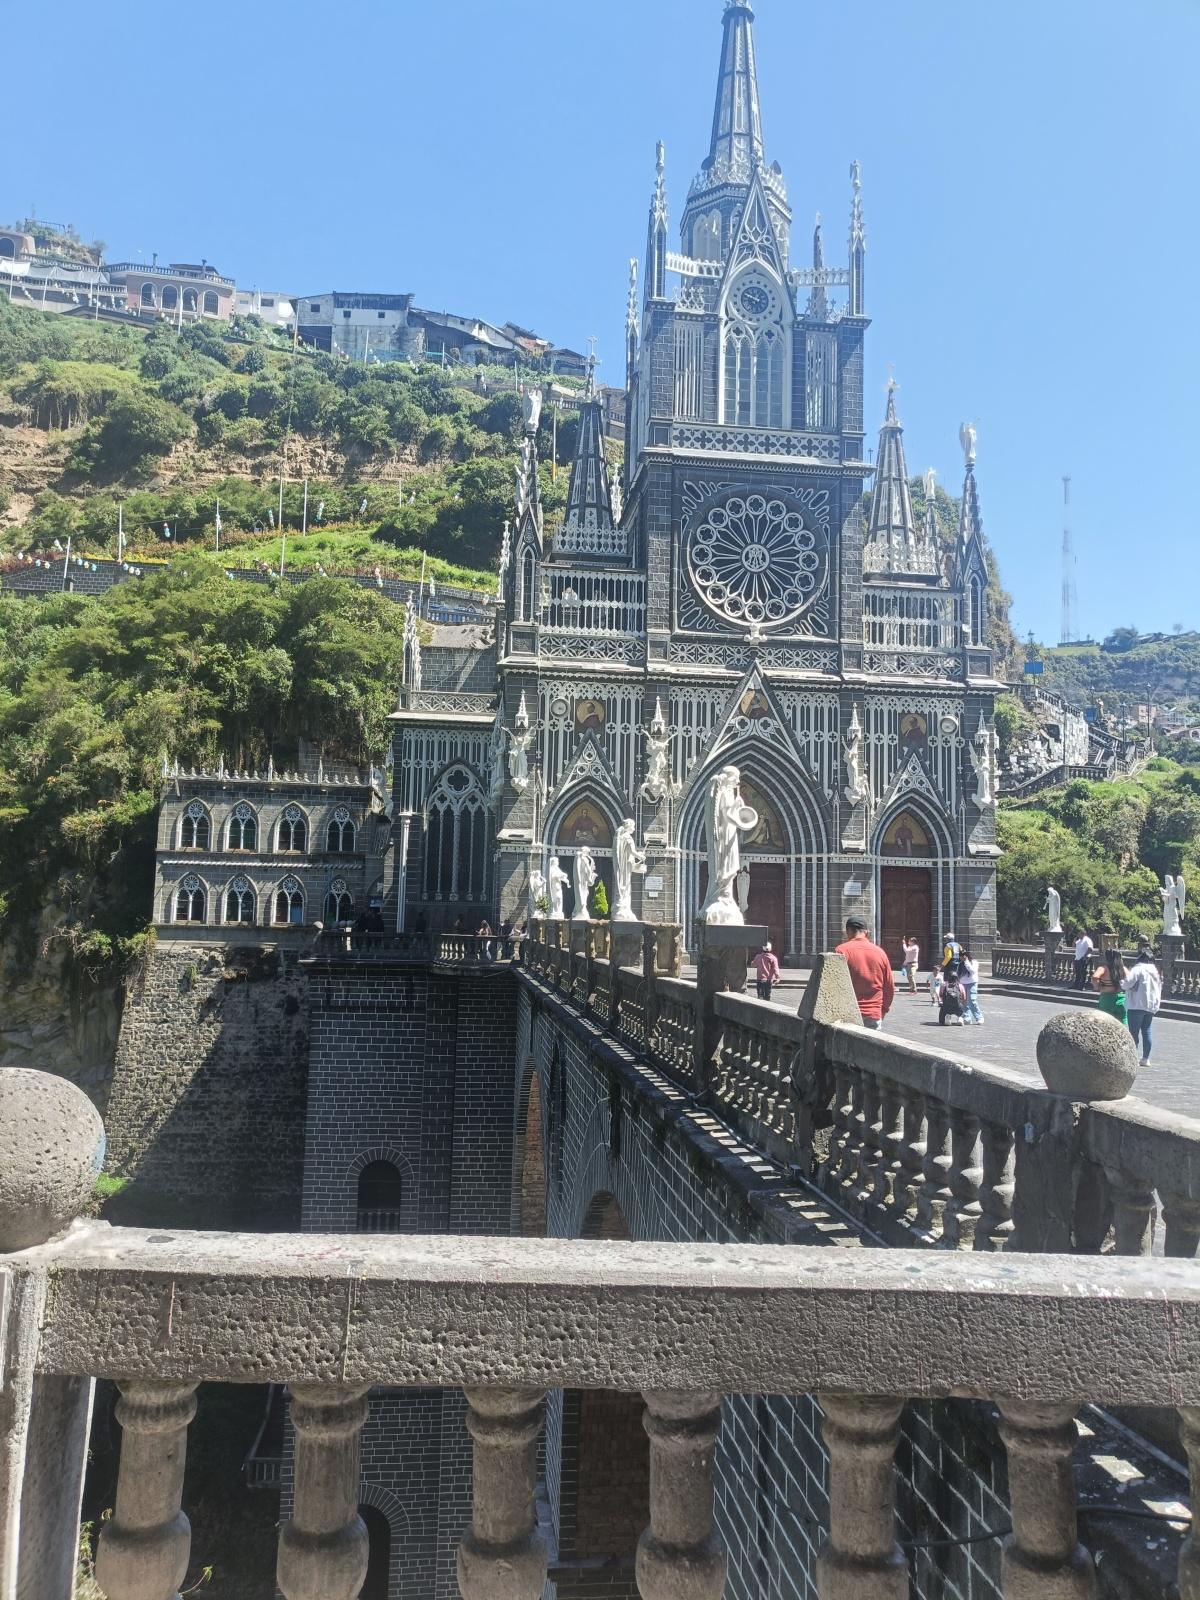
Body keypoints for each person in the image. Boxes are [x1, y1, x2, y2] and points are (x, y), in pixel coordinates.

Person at [835, 916, 895, 1030]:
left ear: (848, 931)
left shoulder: (841, 951)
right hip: (873, 1013)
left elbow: (834, 985)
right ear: (866, 932)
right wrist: (883, 1010)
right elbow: (889, 988)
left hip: (848, 1014)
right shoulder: (880, 953)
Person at [1123, 947, 1162, 1066]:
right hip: (1150, 1005)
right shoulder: (1155, 971)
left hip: (1136, 1005)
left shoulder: (1138, 969)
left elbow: (1127, 983)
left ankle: (1133, 1057)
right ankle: (1146, 1058)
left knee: (1133, 1033)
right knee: (1147, 1031)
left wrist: (1122, 984)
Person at [1092, 950, 1127, 1024]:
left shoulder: (1103, 968)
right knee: (1123, 1020)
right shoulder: (1122, 968)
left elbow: (1095, 977)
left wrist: (1097, 987)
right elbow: (1130, 979)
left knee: (1105, 1021)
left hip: (1106, 997)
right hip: (1121, 997)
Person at [960, 948, 984, 1025]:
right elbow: (958, 973)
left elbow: (972, 971)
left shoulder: (974, 962)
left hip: (972, 983)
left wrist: (966, 962)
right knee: (963, 1001)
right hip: (962, 983)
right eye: (961, 956)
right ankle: (967, 1017)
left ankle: (979, 1017)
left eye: (963, 956)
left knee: (972, 1000)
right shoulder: (960, 964)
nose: (962, 958)